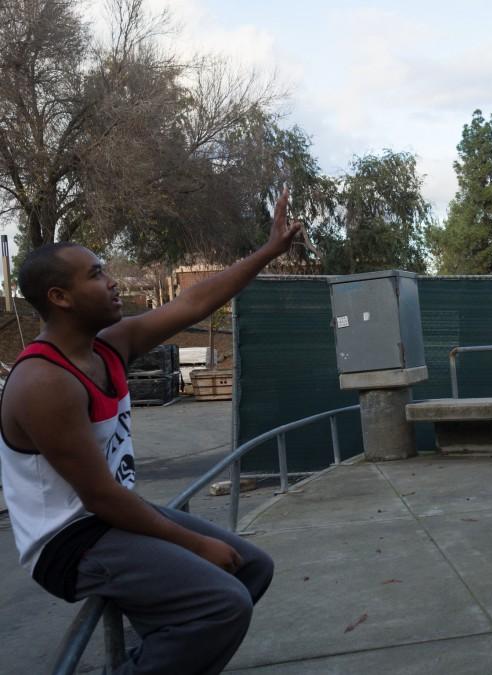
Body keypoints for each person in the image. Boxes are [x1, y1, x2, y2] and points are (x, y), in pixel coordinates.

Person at [0, 186, 304, 673]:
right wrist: (197, 545)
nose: (113, 282)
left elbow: (193, 303)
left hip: (110, 519)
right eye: (97, 275)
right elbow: (100, 497)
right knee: (223, 602)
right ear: (60, 297)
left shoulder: (108, 345)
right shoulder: (45, 382)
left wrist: (268, 252)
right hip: (68, 542)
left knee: (251, 568)